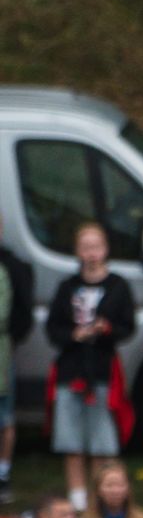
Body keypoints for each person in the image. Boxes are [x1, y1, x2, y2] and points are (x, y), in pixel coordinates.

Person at [46, 224, 134, 510]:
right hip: (71, 371)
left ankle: (98, 503)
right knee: (71, 443)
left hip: (102, 370)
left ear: (105, 250)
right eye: (85, 248)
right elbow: (53, 329)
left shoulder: (118, 286)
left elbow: (127, 327)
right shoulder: (67, 287)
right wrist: (74, 335)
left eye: (96, 247)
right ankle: (77, 502)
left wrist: (106, 329)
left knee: (101, 445)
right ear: (78, 251)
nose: (91, 253)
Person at [0, 209, 34, 500]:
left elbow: (19, 312)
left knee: (5, 416)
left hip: (2, 352)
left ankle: (3, 472)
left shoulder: (12, 266)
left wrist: (12, 339)